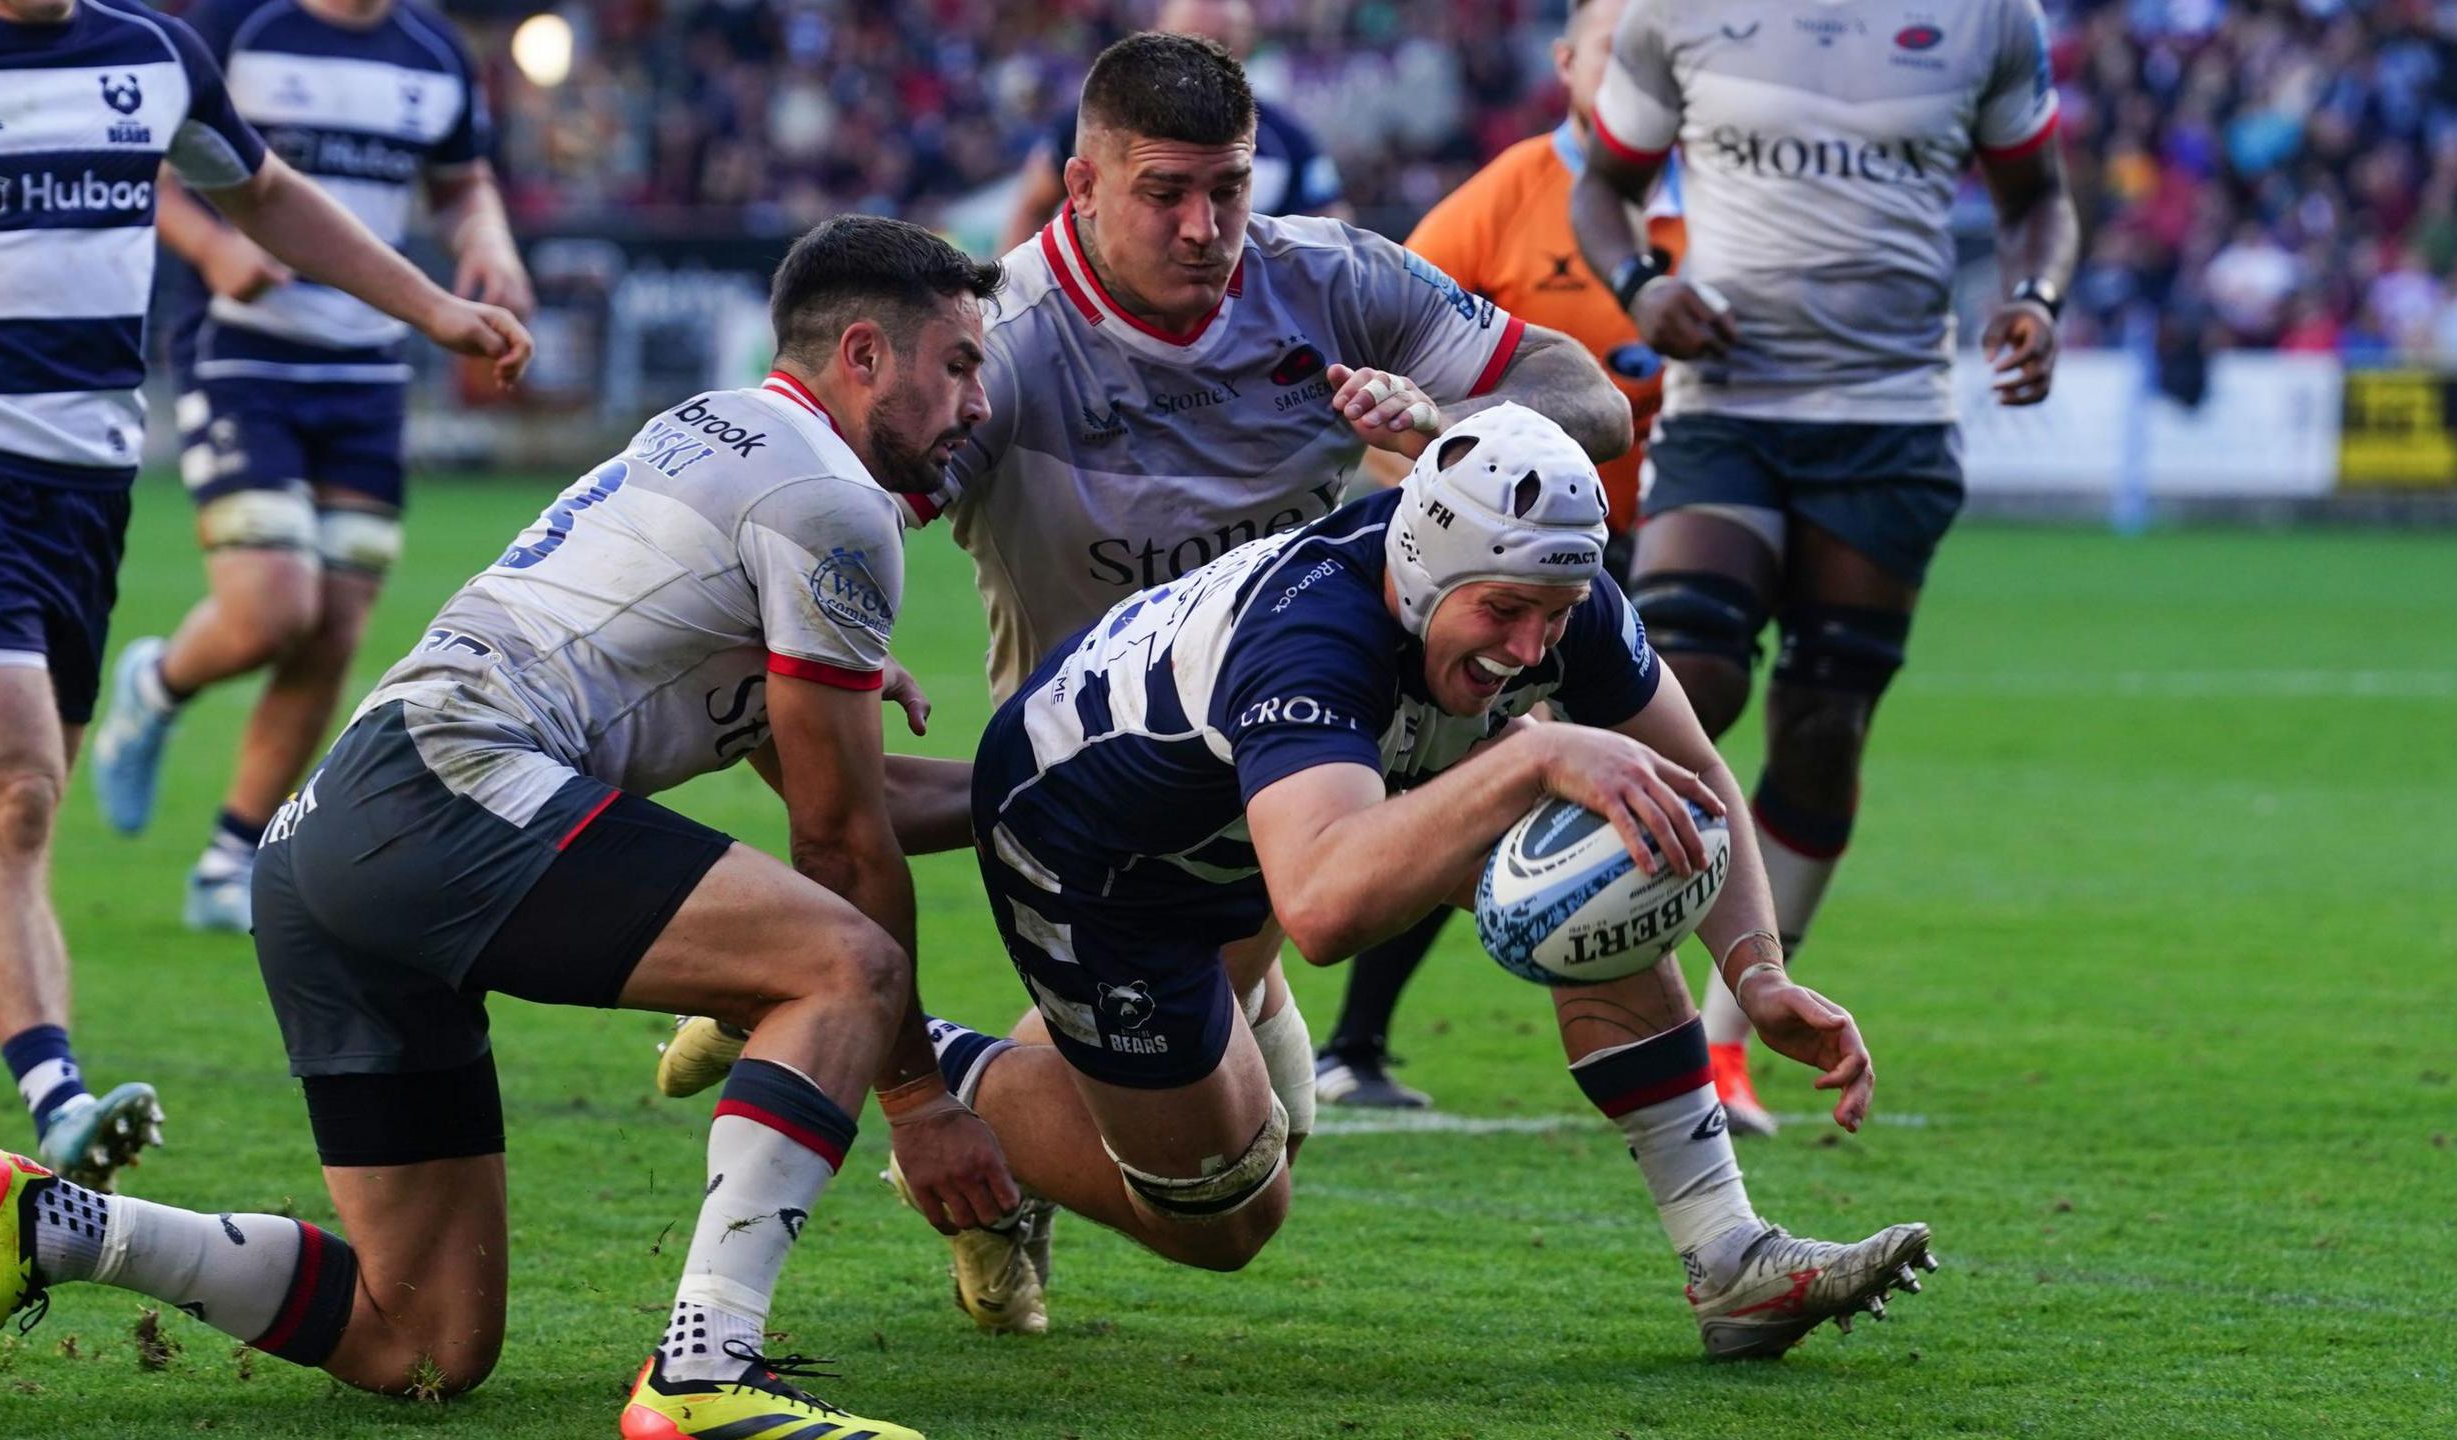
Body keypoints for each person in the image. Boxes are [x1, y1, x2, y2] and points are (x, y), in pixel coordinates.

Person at [0, 216, 1011, 1438]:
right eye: (958, 364)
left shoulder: (717, 434)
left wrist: (1052, 782)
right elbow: (840, 842)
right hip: (445, 793)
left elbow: (836, 790)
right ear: (863, 353)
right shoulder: (826, 499)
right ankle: (705, 1371)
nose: (978, 400)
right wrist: (920, 1101)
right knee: (845, 961)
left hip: (328, 840)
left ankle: (54, 1226)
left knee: (423, 1341)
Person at [652, 29, 1631, 1338]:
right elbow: (822, 482)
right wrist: (821, 607)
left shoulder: (1335, 281)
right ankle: (873, 1053)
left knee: (1256, 1139)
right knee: (1225, 1190)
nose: (1203, 224)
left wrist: (1454, 439)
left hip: (1284, 773)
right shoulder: (996, 341)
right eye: (1164, 192)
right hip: (1097, 806)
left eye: (1226, 188)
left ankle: (896, 1087)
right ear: (1081, 188)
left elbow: (1590, 399)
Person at [922, 404, 1936, 1360]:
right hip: (1098, 864)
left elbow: (1699, 776)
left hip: (1254, 822)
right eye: (1503, 611)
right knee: (1227, 1218)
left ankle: (1729, 1258)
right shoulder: (1312, 639)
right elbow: (1321, 909)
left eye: (1557, 613)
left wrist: (1755, 975)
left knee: (1601, 873)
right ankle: (925, 1061)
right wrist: (1528, 760)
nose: (1531, 646)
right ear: (1416, 574)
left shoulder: (1542, 586)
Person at [0, 0, 529, 1190]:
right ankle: (57, 1098)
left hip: (87, 495)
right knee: (14, 793)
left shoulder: (155, 54)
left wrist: (435, 308)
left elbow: (268, 194)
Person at [1571, 0, 2076, 1134]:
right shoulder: (1677, 14)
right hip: (1728, 408)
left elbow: (2038, 199)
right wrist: (1643, 288)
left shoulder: (1987, 18)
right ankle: (1598, 958)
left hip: (1889, 419)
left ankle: (1728, 1034)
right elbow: (1602, 186)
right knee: (1687, 674)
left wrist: (2035, 300)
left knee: (1824, 723)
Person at [1311, 0, 1687, 1111]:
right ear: (1565, 64)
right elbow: (1386, 373)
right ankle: (1342, 1044)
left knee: (1551, 784)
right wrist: (1436, 518)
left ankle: (1353, 1047)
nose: (1638, 82)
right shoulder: (1499, 200)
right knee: (1516, 785)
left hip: (1610, 555)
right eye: (1618, 55)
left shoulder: (1721, 202)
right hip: (1471, 565)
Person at [88, 0, 533, 934]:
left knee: (333, 629)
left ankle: (229, 853)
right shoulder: (235, 25)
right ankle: (158, 683)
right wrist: (213, 248)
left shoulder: (432, 49)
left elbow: (460, 181)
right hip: (245, 356)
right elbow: (149, 164)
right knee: (272, 607)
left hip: (368, 369)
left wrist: (485, 240)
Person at [995, 0, 1346, 254]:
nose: (1206, 58)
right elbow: (1032, 203)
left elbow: (1332, 238)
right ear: (1158, 35)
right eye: (1191, 41)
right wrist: (1006, 299)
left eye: (1222, 42)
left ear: (1246, 43)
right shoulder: (1098, 124)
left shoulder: (1286, 141)